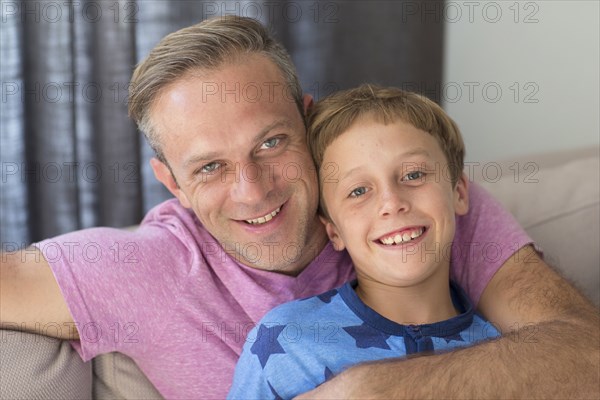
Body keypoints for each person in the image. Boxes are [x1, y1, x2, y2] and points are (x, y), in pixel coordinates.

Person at [0, 16, 597, 399]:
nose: (253, 189)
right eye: (210, 168)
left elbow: (586, 355)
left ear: (307, 120)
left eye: (270, 143)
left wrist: (367, 393)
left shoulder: (418, 210)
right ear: (172, 184)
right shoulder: (135, 268)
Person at [228, 85, 501, 399]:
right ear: (334, 232)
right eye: (358, 191)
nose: (391, 202)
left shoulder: (502, 349)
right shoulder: (286, 343)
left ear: (459, 194)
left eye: (413, 175)